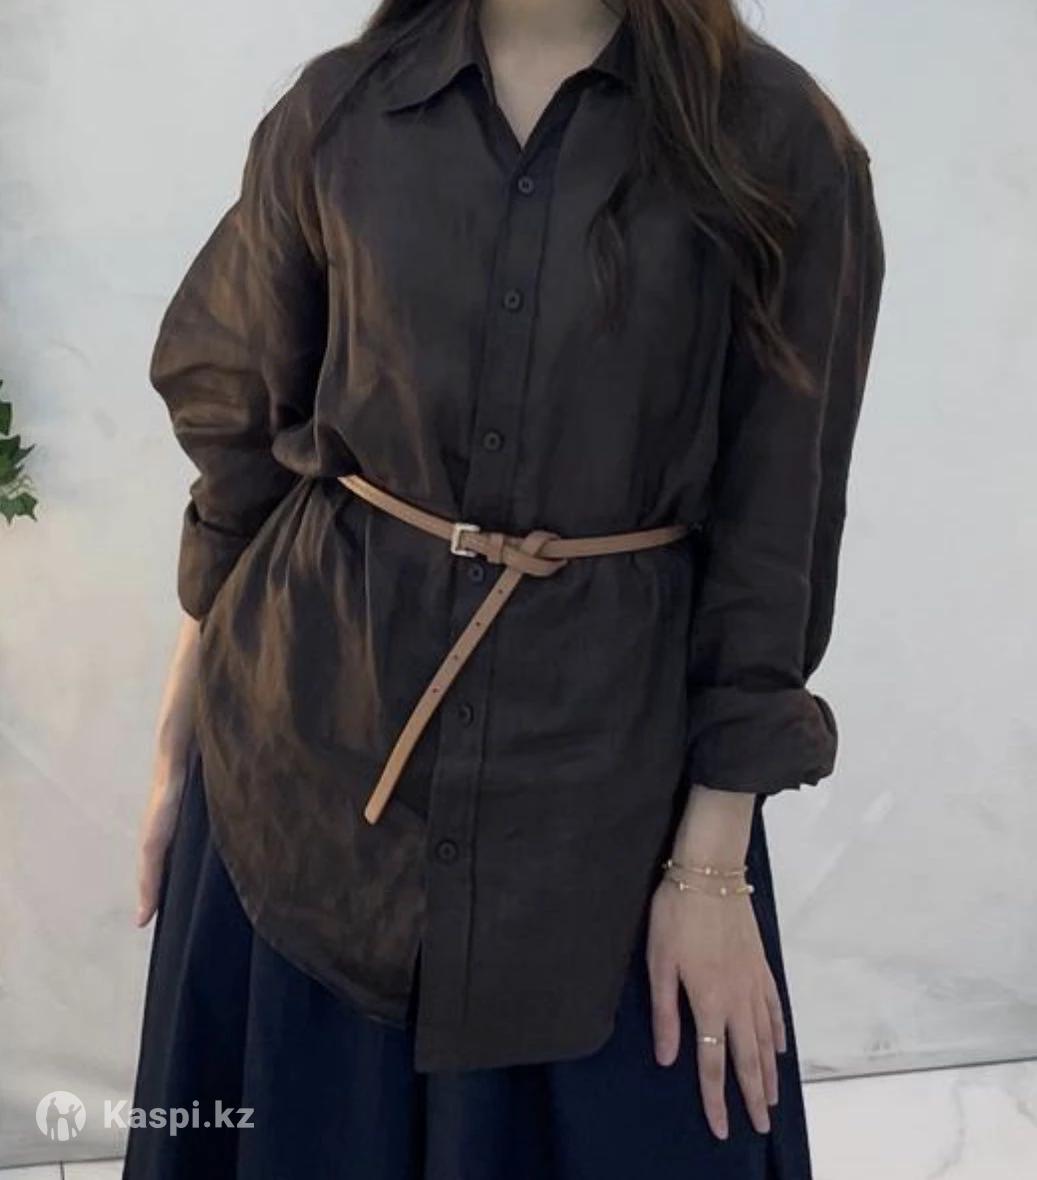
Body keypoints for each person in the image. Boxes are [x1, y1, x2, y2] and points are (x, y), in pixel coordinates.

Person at [123, 0, 885, 1176]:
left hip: (606, 811)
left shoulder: (777, 142)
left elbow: (779, 520)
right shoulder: (337, 113)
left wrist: (710, 866)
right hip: (305, 780)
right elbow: (239, 433)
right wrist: (185, 720)